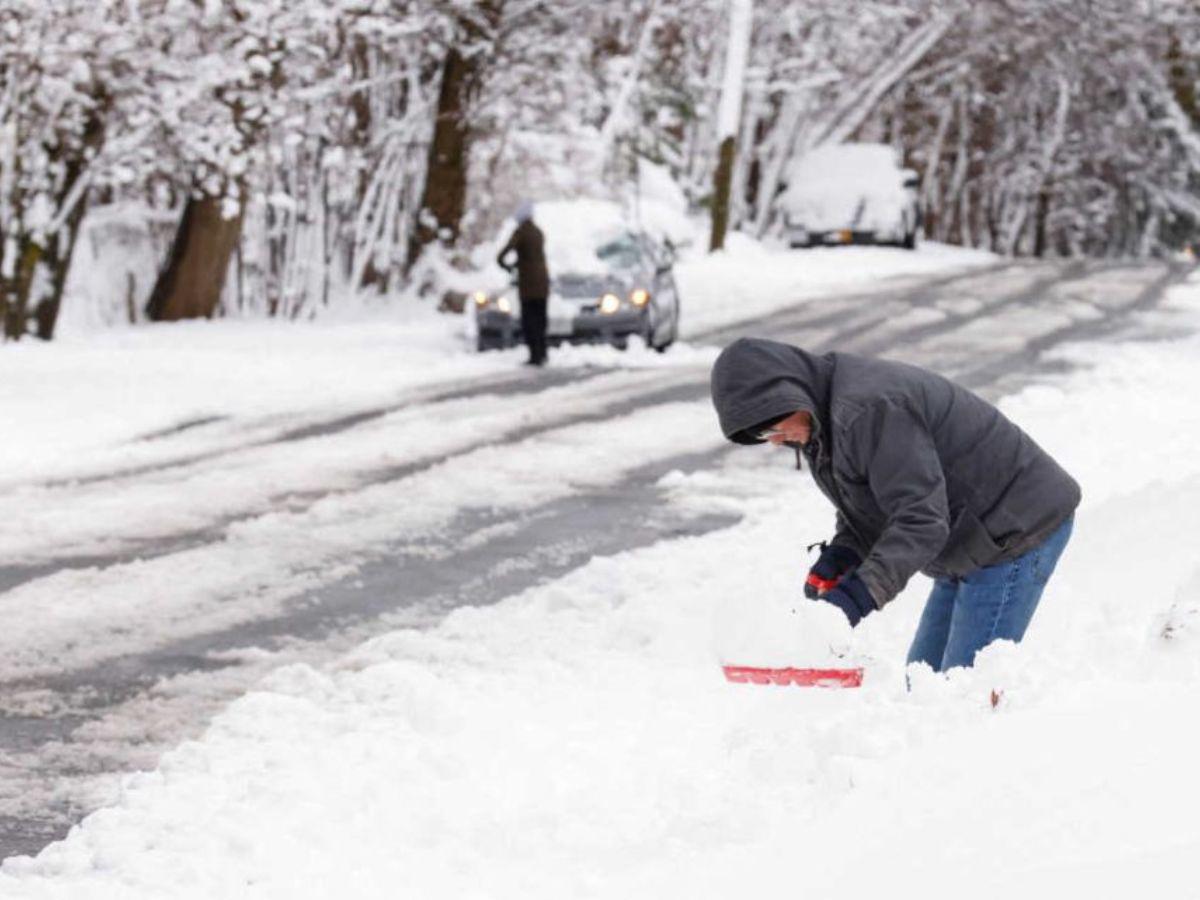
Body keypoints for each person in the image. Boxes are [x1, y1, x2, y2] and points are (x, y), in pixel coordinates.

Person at [710, 337, 1081, 673]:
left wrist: (856, 598)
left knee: (961, 692)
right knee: (923, 677)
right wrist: (843, 556)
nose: (774, 441)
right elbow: (877, 502)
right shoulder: (819, 421)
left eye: (770, 427)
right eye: (761, 435)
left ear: (788, 393)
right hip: (968, 535)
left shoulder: (868, 410)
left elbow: (921, 521)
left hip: (1015, 527)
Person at [497, 200, 550, 366]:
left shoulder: (520, 232)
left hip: (528, 284)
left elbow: (504, 253)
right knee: (540, 319)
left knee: (529, 320)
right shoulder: (538, 232)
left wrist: (508, 266)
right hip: (542, 282)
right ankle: (542, 352)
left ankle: (534, 355)